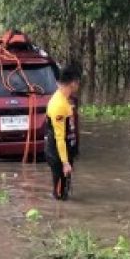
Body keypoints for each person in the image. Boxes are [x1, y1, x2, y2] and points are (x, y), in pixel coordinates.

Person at [45, 65, 82, 200]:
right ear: (73, 83)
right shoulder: (58, 104)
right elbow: (59, 137)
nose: (78, 86)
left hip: (66, 151)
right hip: (58, 154)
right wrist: (65, 162)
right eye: (78, 82)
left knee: (65, 189)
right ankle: (58, 216)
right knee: (59, 195)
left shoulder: (66, 99)